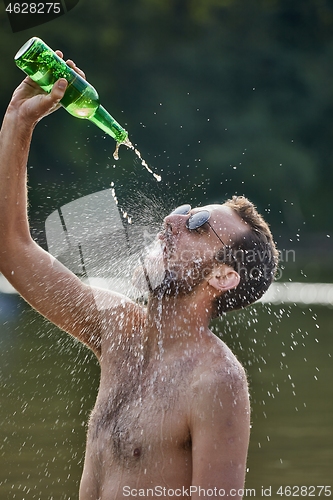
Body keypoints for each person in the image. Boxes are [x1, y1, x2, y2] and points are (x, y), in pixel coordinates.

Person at [0, 53, 278, 500]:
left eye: (197, 224)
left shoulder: (217, 381)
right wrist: (18, 121)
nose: (173, 219)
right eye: (184, 211)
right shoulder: (120, 331)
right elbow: (12, 251)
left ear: (224, 276)